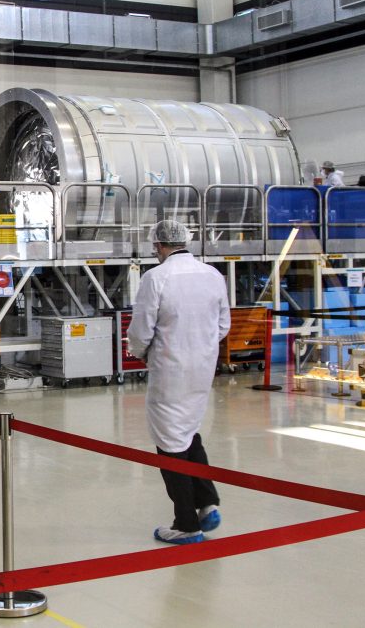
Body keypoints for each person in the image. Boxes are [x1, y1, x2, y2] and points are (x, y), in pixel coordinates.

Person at [127, 219, 230, 545]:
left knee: (169, 443)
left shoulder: (156, 277)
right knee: (187, 430)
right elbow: (223, 324)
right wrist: (201, 347)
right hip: (202, 369)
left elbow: (141, 330)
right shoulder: (212, 275)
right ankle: (207, 503)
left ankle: (186, 525)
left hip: (170, 370)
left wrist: (141, 352)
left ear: (159, 245)